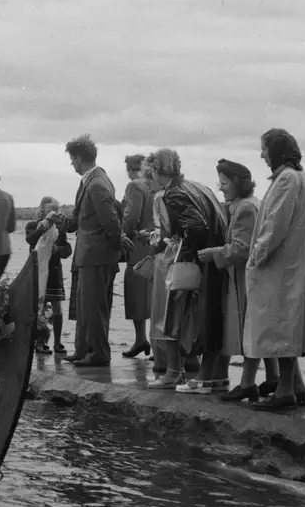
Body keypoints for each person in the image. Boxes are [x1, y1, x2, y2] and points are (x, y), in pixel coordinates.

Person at [242, 129, 305, 411]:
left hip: (279, 266)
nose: (261, 155)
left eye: (264, 149)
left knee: (278, 326)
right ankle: (296, 385)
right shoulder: (300, 177)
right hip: (293, 264)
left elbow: (274, 225)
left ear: (275, 150)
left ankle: (285, 390)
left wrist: (255, 257)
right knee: (287, 325)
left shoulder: (286, 179)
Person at [144, 148, 228, 391]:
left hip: (192, 259)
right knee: (201, 318)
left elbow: (196, 228)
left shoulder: (173, 194)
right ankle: (208, 373)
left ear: (158, 170)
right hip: (213, 259)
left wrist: (183, 258)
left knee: (171, 314)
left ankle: (173, 372)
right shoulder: (197, 187)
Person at [196, 161, 274, 402]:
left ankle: (249, 382)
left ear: (238, 182)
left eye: (224, 183)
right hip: (254, 278)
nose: (221, 188)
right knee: (260, 330)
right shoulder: (250, 204)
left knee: (250, 330)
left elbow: (242, 248)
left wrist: (213, 254)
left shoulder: (244, 208)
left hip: (244, 279)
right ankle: (273, 377)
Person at [56, 135, 121, 368]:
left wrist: (115, 248)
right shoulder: (91, 181)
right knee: (85, 306)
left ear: (78, 158)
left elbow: (111, 221)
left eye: (72, 160)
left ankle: (98, 353)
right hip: (89, 255)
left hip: (96, 255)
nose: (71, 164)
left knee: (94, 307)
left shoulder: (97, 183)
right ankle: (83, 349)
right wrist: (59, 220)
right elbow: (77, 222)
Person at [24, 196, 71, 355]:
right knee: (40, 307)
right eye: (52, 211)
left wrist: (58, 250)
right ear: (43, 210)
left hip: (54, 273)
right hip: (38, 272)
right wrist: (42, 228)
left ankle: (57, 342)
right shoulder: (33, 225)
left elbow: (67, 249)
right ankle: (40, 342)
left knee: (57, 308)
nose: (55, 214)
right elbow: (30, 240)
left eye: (57, 211)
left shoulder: (60, 229)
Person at [120, 154, 156, 357]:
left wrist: (122, 234)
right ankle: (148, 341)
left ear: (130, 169)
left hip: (139, 243)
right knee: (154, 294)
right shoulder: (156, 185)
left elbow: (131, 216)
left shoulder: (135, 186)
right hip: (157, 242)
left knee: (137, 293)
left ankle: (141, 339)